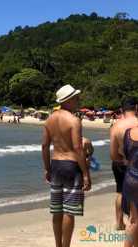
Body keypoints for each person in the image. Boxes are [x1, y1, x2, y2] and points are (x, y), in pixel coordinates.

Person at [42, 84, 91, 247]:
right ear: (68, 100)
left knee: (57, 210)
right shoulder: (74, 120)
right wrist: (85, 174)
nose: (78, 100)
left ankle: (58, 245)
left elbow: (44, 146)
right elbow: (77, 148)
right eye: (75, 98)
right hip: (71, 166)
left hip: (56, 164)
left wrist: (47, 168)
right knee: (69, 210)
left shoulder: (50, 119)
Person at [110, 98, 138, 232]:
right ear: (136, 108)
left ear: (121, 110)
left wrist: (121, 159)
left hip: (120, 163)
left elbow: (113, 154)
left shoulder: (116, 126)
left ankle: (120, 222)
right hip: (136, 164)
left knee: (120, 192)